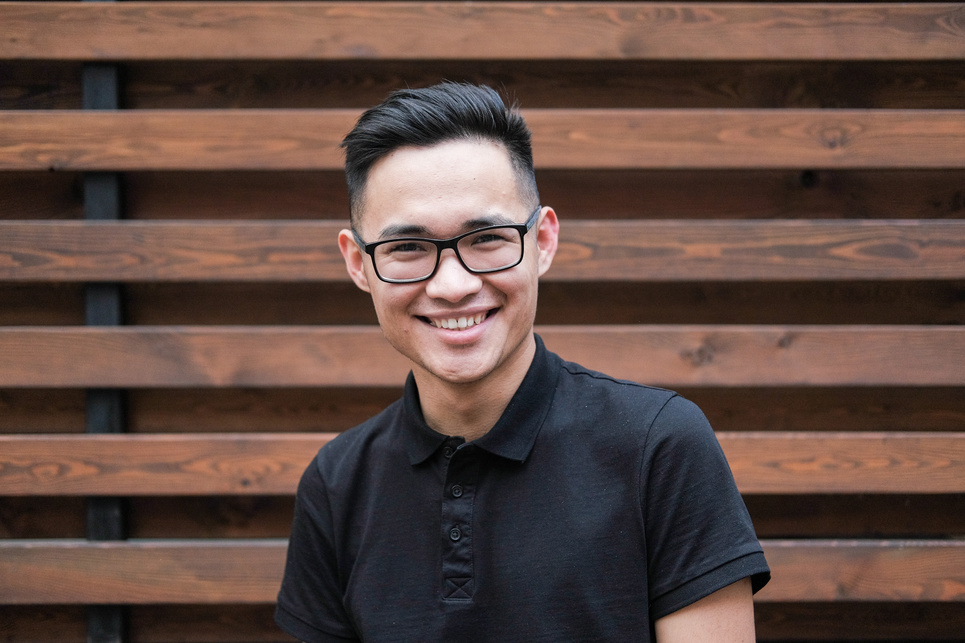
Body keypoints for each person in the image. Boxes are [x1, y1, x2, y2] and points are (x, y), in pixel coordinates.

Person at [275, 82, 769, 642]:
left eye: (487, 238)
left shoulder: (659, 446)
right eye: (407, 248)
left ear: (543, 241)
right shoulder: (337, 482)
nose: (453, 285)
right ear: (358, 263)